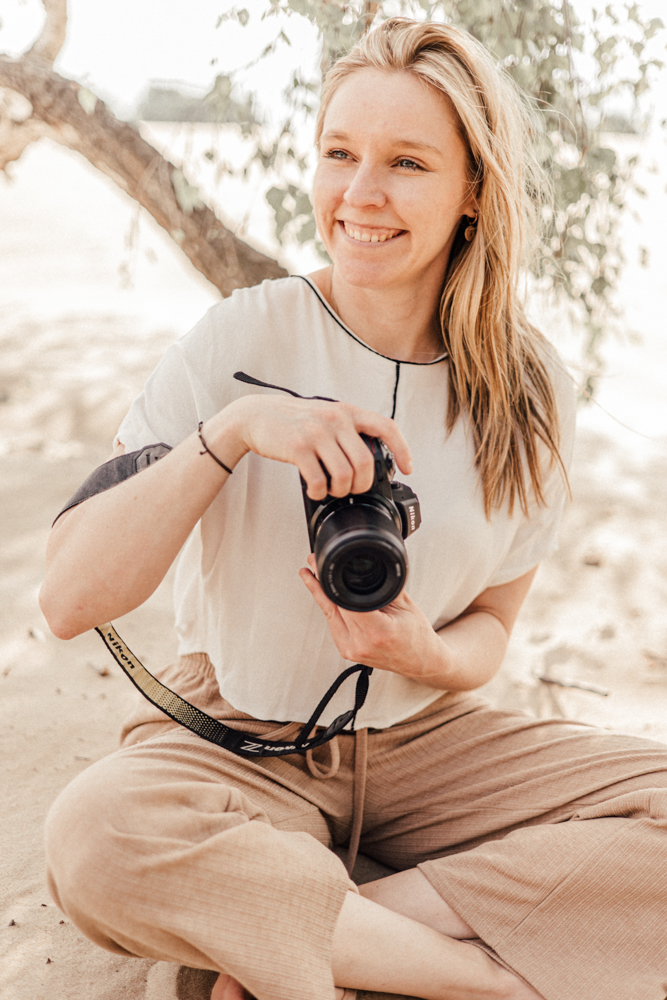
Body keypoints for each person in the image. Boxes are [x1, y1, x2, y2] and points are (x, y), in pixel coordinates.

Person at [40, 18, 667, 1000]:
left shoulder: (531, 386)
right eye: (340, 153)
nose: (359, 194)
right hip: (233, 740)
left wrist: (422, 653)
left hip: (431, 745)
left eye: (406, 162)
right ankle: (477, 976)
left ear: (474, 190)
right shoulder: (236, 337)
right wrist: (234, 432)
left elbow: (492, 627)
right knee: (95, 832)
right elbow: (70, 596)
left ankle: (312, 932)